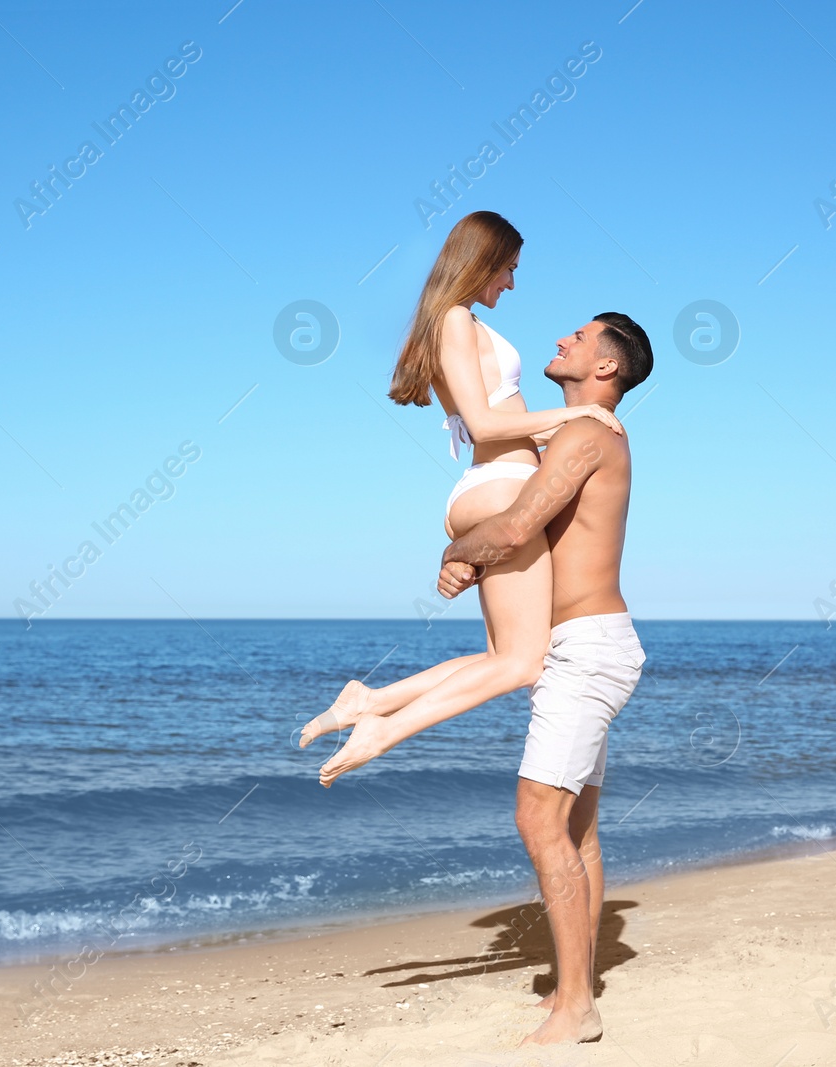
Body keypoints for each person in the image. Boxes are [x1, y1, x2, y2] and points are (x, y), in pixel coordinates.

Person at [334, 313, 655, 1046]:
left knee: (538, 819)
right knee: (578, 827)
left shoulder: (585, 434)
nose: (562, 340)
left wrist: (457, 553)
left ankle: (578, 1005)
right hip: (588, 642)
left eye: (580, 337)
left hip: (585, 649)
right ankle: (576, 987)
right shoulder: (571, 432)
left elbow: (515, 525)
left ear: (606, 368)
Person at [298, 211, 621, 774]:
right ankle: (382, 731)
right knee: (523, 665)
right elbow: (485, 423)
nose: (512, 284)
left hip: (487, 487)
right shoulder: (455, 320)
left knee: (505, 658)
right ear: (485, 260)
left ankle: (369, 702)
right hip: (499, 486)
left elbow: (498, 418)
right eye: (509, 270)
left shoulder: (454, 322)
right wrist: (586, 413)